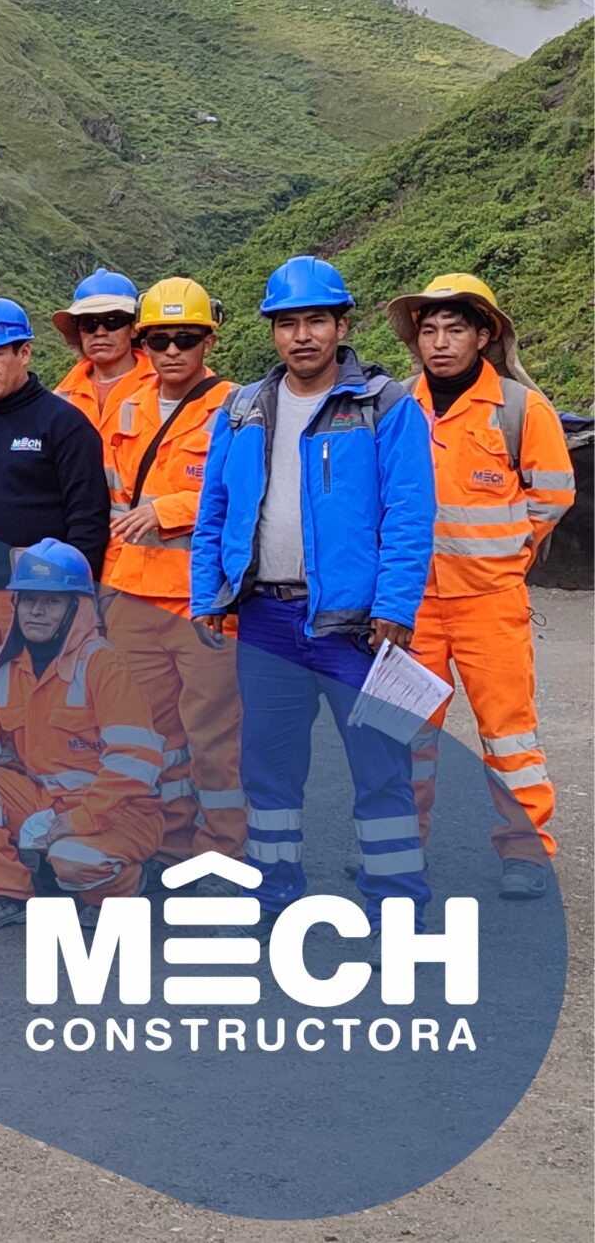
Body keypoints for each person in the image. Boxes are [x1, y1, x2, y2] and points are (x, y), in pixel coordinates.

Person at [192, 256, 435, 920]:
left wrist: (394, 605)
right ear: (273, 330)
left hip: (355, 628)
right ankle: (274, 892)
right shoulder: (242, 408)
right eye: (288, 322)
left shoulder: (385, 405)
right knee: (268, 770)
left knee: (381, 769)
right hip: (267, 620)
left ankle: (397, 907)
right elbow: (214, 505)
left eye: (316, 321)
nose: (302, 335)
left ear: (341, 324)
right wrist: (208, 591)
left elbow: (410, 514)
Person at [387, 273, 572, 899]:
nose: (440, 342)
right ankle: (397, 850)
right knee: (398, 733)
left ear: (484, 334)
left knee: (507, 732)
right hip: (412, 608)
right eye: (429, 329)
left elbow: (553, 494)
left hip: (490, 605)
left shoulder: (521, 409)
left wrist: (506, 561)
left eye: (455, 328)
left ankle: (526, 852)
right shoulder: (396, 406)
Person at [0, 541, 165, 931]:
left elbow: (135, 762)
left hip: (121, 812)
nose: (37, 612)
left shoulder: (103, 665)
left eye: (51, 602)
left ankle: (125, 883)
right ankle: (4, 894)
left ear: (76, 609)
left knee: (74, 861)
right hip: (43, 800)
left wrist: (83, 817)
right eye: (28, 600)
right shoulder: (1, 666)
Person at [99, 278, 241, 874]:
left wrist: (170, 509)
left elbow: (243, 494)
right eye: (159, 340)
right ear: (144, 343)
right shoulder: (125, 406)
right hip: (131, 593)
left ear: (208, 340)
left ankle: (221, 853)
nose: (172, 351)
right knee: (151, 735)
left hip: (202, 600)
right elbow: (108, 494)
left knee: (214, 739)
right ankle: (169, 841)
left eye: (186, 338)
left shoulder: (238, 406)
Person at [0, 296, 111, 666]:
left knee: (41, 704)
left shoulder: (64, 425)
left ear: (25, 353)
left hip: (39, 599)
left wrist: (77, 599)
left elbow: (88, 521)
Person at [52, 269, 150, 427]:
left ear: (133, 328)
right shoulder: (62, 396)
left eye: (112, 321)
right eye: (89, 323)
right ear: (79, 330)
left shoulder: (162, 388)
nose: (100, 332)